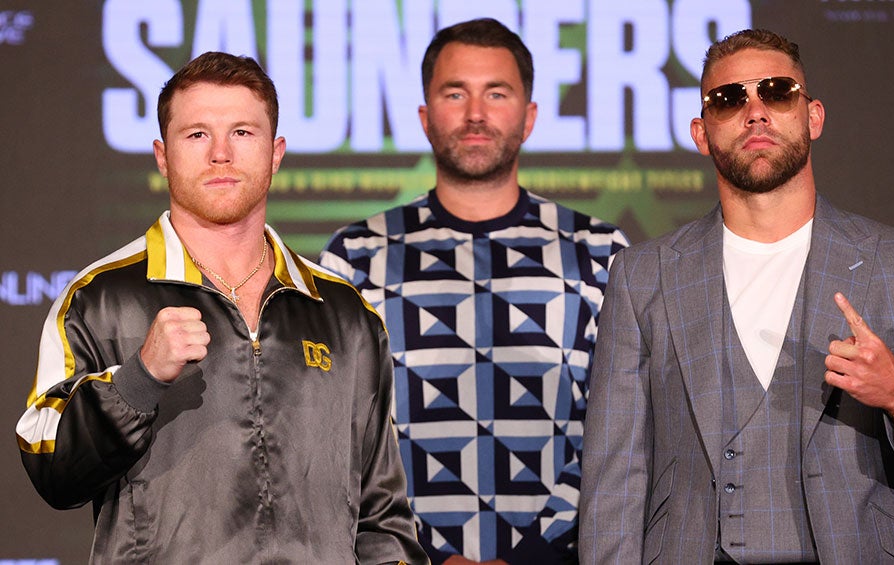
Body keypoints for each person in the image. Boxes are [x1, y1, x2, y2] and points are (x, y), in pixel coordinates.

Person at [578, 28, 894, 564]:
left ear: (813, 116)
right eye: (730, 100)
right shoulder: (643, 276)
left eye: (776, 92)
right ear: (701, 134)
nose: (755, 112)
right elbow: (613, 485)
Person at [15, 51, 428, 564]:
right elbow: (50, 470)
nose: (220, 154)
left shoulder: (343, 312)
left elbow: (381, 516)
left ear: (276, 152)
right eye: (196, 135)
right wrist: (138, 380)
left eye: (242, 133)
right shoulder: (99, 298)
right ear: (163, 155)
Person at [320, 18, 628, 565]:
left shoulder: (600, 251)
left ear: (530, 117)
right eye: (454, 92)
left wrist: (535, 555)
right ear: (424, 116)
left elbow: (619, 427)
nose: (476, 114)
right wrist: (425, 554)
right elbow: (337, 434)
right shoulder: (356, 257)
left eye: (497, 93)